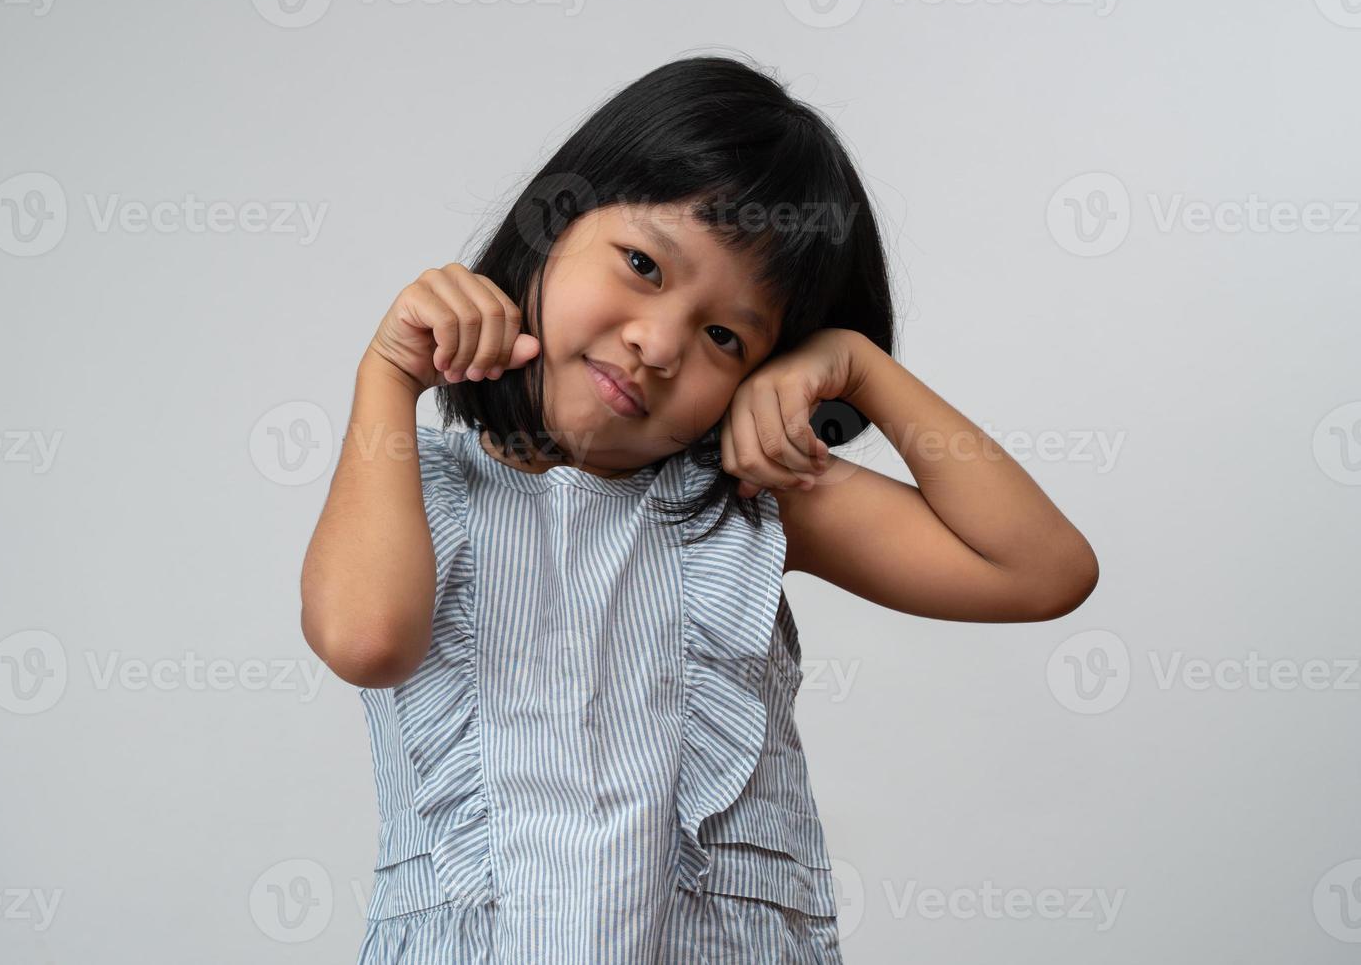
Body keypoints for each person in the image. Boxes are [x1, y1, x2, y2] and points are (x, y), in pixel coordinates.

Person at [300, 53, 1099, 964]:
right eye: (642, 264)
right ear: (553, 228)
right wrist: (386, 377)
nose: (658, 342)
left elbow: (1042, 571)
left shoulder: (746, 505)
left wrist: (857, 368)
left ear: (758, 373)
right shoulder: (415, 487)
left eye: (726, 335)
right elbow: (367, 641)